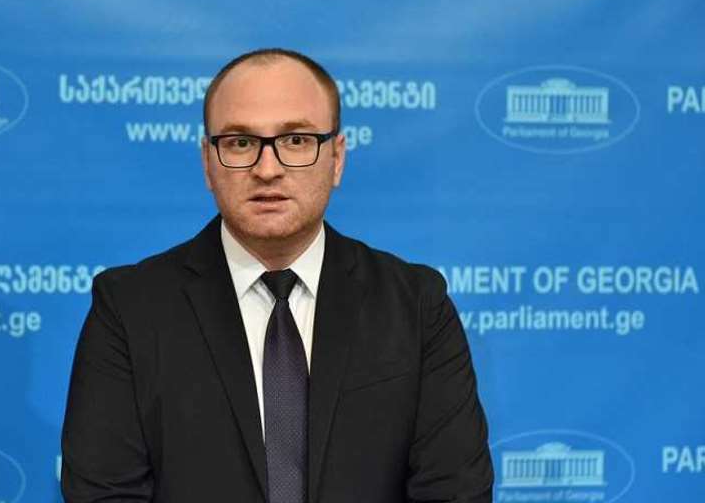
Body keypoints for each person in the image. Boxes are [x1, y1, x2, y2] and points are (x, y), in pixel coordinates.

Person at [61, 48, 493, 503]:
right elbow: (103, 495)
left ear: (337, 157)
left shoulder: (416, 306)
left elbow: (456, 492)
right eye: (240, 143)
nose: (267, 169)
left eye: (296, 140)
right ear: (207, 161)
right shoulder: (129, 310)